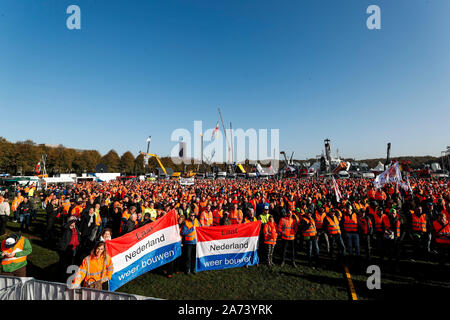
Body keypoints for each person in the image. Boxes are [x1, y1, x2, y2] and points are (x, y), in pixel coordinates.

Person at [57, 216, 81, 282]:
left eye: (75, 222)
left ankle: (69, 276)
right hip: (66, 248)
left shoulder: (75, 227)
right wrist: (71, 221)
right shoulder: (66, 227)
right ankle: (62, 277)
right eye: (73, 221)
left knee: (71, 262)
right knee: (64, 263)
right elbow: (64, 227)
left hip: (74, 247)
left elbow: (78, 234)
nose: (74, 223)